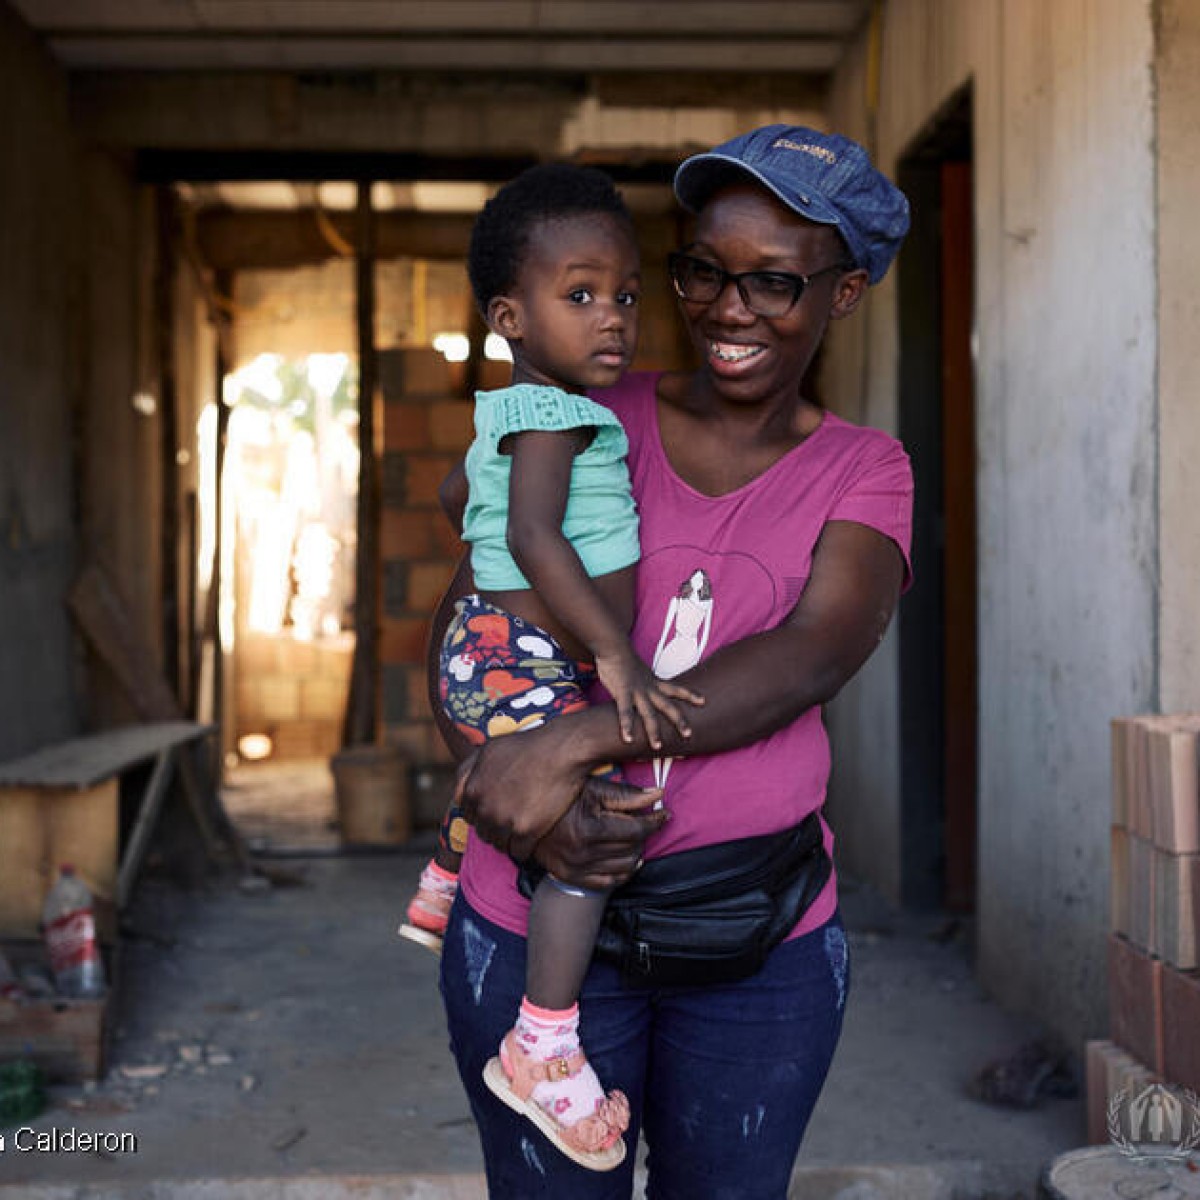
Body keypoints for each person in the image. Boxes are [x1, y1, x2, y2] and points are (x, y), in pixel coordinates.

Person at [429, 124, 915, 1200]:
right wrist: (500, 766)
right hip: (535, 923)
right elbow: (478, 598)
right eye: (704, 270)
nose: (728, 308)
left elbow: (810, 656)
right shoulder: (592, 413)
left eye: (775, 282)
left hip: (755, 944)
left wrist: (577, 741)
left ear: (842, 293)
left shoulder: (863, 469)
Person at [399, 162, 703, 1170]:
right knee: (590, 839)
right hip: (519, 652)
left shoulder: (517, 408)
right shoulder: (553, 416)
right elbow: (532, 535)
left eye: (623, 293)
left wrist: (490, 577)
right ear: (509, 316)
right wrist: (612, 650)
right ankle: (544, 1045)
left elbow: (460, 496)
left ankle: (450, 871)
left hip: (503, 646)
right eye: (578, 296)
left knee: (533, 764)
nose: (611, 316)